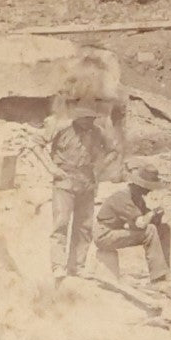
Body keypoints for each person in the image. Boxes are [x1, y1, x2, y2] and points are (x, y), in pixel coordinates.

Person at [46, 101, 122, 278]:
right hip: (64, 181)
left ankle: (77, 266)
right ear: (78, 117)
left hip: (87, 182)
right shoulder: (61, 128)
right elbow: (36, 143)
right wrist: (51, 168)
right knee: (61, 223)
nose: (91, 121)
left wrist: (99, 169)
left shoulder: (97, 132)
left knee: (84, 226)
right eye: (87, 118)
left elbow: (113, 151)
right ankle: (58, 265)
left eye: (93, 118)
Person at [93, 163, 171, 284]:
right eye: (148, 187)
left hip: (114, 232)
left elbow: (142, 221)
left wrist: (157, 217)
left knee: (164, 229)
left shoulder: (137, 198)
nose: (149, 190)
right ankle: (158, 279)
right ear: (140, 185)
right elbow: (141, 223)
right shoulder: (123, 197)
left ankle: (164, 272)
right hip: (104, 235)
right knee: (150, 230)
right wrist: (152, 214)